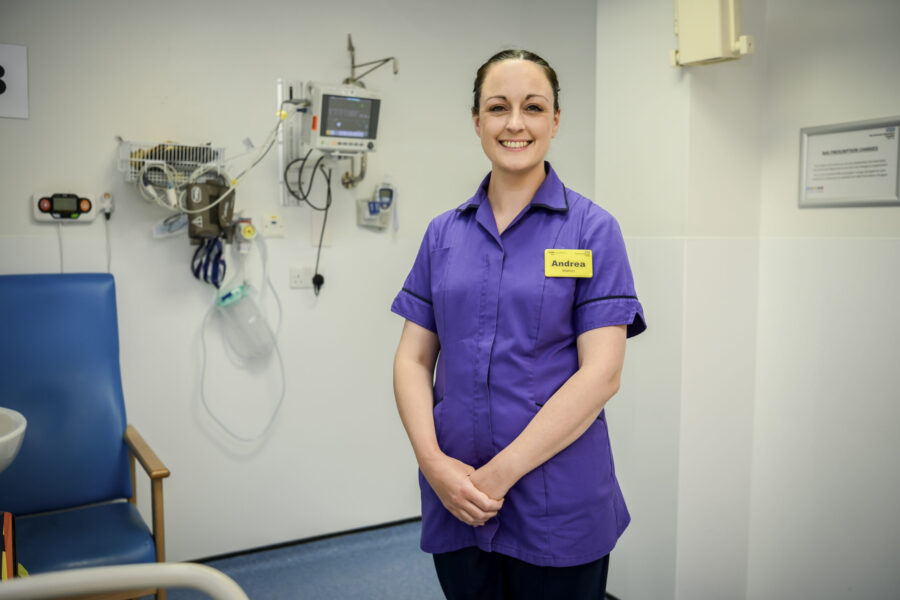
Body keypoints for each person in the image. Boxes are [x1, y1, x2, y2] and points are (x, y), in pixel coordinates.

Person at [391, 49, 646, 599]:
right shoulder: (443, 235)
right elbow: (412, 358)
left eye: (533, 107)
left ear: (555, 121)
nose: (514, 123)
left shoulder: (592, 230)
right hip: (454, 494)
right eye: (497, 107)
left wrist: (498, 476)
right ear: (477, 121)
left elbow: (601, 375)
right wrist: (434, 464)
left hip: (556, 501)